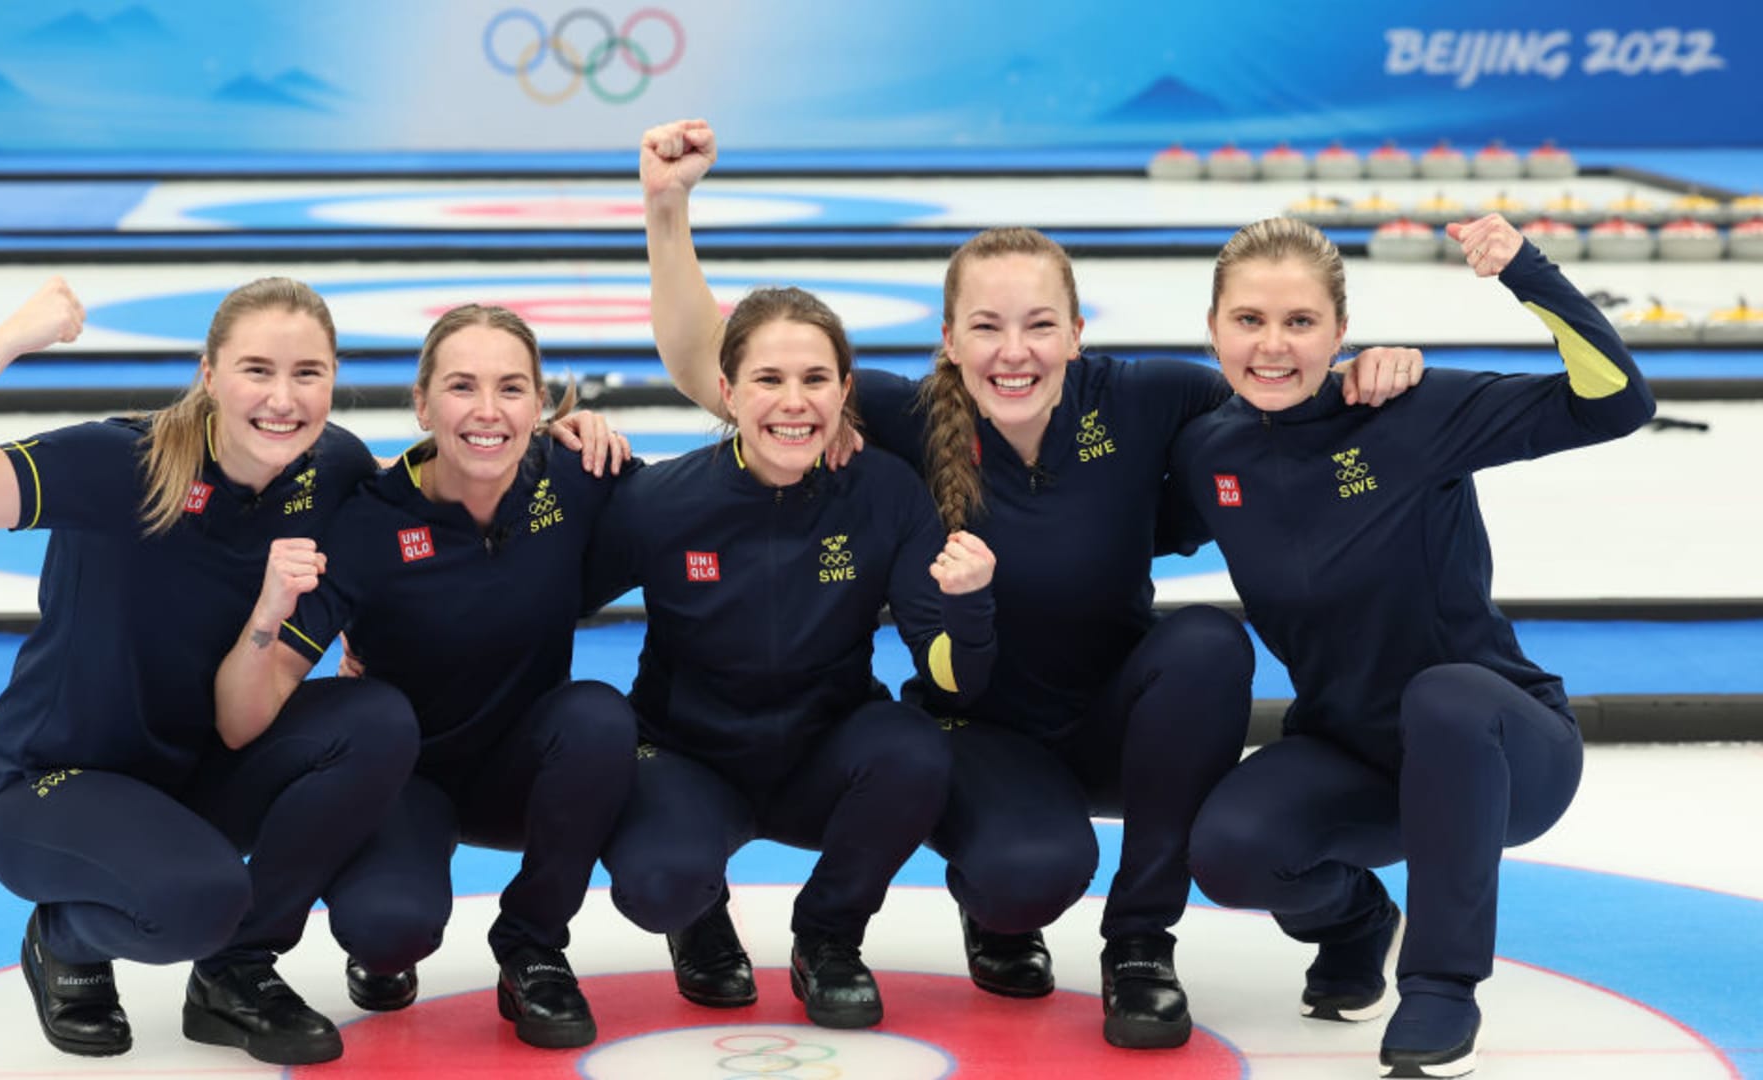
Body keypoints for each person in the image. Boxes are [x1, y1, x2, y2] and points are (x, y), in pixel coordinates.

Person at [636, 118, 1427, 1049]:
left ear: (1078, 333)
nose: (1015, 352)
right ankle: (997, 908)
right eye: (987, 327)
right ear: (948, 341)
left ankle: (1140, 944)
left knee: (1209, 641)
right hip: (980, 732)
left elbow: (1277, 384)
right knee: (1026, 874)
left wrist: (1375, 371)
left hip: (1118, 722)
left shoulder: (1145, 398)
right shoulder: (901, 414)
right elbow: (709, 368)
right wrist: (667, 207)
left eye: (1040, 325)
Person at [0, 276, 420, 1066]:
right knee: (195, 901)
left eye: (308, 374)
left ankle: (237, 973)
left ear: (334, 379)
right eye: (256, 370)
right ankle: (64, 935)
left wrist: (566, 446)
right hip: (50, 783)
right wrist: (7, 343)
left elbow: (438, 490)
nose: (283, 398)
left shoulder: (329, 467)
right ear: (209, 375)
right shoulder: (121, 464)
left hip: (193, 772)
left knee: (373, 720)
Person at [1175, 214, 1654, 1078]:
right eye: (1249, 321)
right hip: (1356, 755)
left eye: (1300, 323)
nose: (1273, 346)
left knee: (1445, 692)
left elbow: (1618, 400)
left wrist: (1527, 271)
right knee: (1232, 851)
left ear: (1340, 332)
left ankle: (1440, 986)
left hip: (1503, 751)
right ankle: (1356, 922)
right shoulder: (1211, 452)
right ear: (1212, 329)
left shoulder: (1412, 409)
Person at [212, 303, 638, 1051]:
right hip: (404, 779)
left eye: (511, 389)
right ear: (420, 404)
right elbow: (251, 707)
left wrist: (841, 454)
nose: (487, 411)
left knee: (598, 717)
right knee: (388, 929)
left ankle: (533, 946)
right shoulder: (369, 525)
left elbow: (713, 517)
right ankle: (375, 945)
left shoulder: (579, 477)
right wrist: (264, 619)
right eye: (461, 387)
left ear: (542, 405)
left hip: (523, 771)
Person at [585, 285, 998, 1030]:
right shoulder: (661, 501)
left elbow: (948, 671)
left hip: (825, 752)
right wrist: (556, 441)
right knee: (658, 884)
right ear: (727, 392)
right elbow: (547, 591)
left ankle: (829, 937)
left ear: (845, 390)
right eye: (769, 380)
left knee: (914, 751)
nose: (793, 402)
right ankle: (700, 915)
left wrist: (970, 613)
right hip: (690, 757)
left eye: (814, 380)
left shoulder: (884, 492)